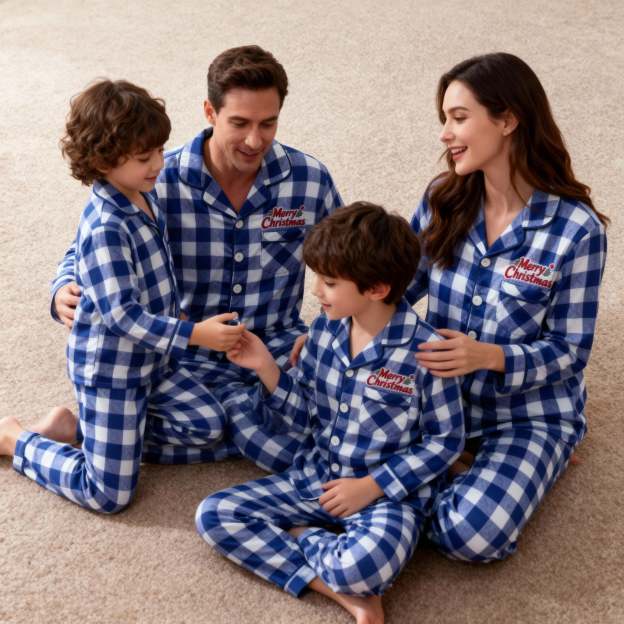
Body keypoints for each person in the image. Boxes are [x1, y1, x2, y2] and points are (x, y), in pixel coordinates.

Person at [49, 45, 342, 469]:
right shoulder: (156, 177)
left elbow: (353, 262)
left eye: (268, 123)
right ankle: (107, 433)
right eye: (239, 123)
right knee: (253, 429)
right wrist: (63, 286)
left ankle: (94, 433)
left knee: (341, 424)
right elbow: (93, 245)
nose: (254, 140)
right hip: (184, 352)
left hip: (276, 344)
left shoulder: (309, 180)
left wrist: (329, 331)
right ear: (209, 112)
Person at [195, 203, 465, 624]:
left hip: (385, 497)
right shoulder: (322, 330)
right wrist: (267, 367)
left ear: (377, 289)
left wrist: (371, 486)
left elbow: (445, 442)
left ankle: (301, 538)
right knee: (214, 514)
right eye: (317, 278)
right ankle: (338, 591)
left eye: (330, 283)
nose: (317, 291)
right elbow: (305, 416)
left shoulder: (428, 354)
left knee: (363, 568)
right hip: (316, 476)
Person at [0, 80, 249, 512]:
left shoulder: (143, 195)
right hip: (111, 373)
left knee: (208, 425)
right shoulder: (106, 226)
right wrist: (195, 334)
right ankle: (15, 438)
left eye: (159, 151)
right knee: (108, 494)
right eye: (144, 157)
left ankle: (85, 431)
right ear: (102, 160)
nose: (159, 164)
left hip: (154, 361)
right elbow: (122, 316)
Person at [406, 52, 608, 561]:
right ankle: (456, 469)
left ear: (508, 120)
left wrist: (487, 355)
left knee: (473, 536)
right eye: (444, 119)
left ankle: (538, 455)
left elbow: (569, 351)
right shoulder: (442, 198)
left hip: (529, 411)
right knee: (323, 452)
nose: (445, 134)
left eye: (459, 118)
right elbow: (397, 287)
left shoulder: (576, 230)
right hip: (439, 397)